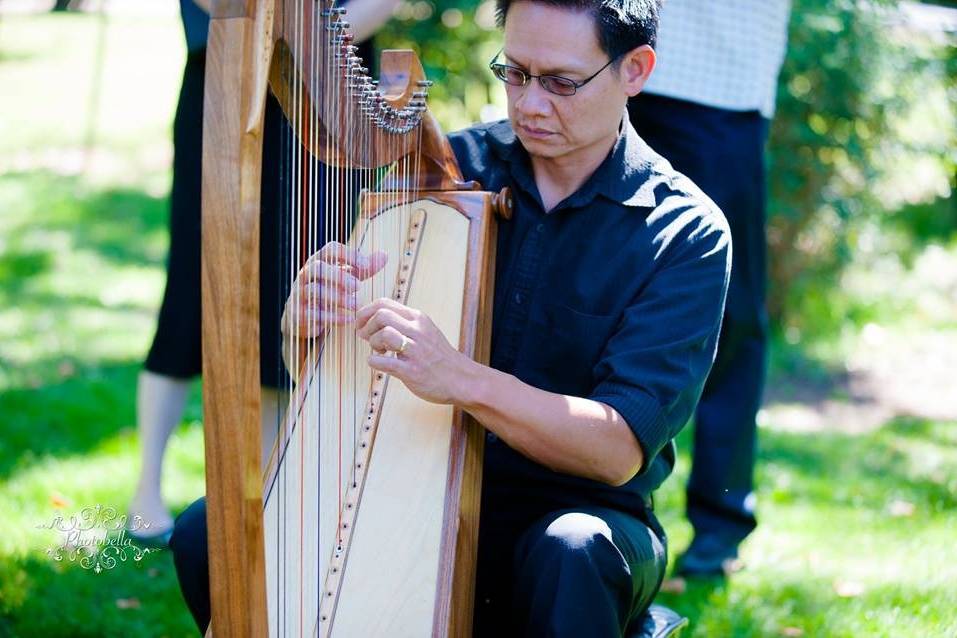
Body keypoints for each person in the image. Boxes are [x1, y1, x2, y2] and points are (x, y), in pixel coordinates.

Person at [170, 0, 732, 634]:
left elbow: (617, 449)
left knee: (571, 551)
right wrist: (305, 329)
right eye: (514, 72)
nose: (530, 104)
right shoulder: (446, 170)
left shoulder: (683, 231)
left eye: (561, 82)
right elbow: (356, 378)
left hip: (579, 516)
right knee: (206, 532)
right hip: (414, 490)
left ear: (635, 69)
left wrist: (459, 377)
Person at [127, 0, 397, 545]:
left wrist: (314, 41)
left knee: (296, 279)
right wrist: (270, 29)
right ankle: (145, 489)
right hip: (226, 72)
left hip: (330, 86)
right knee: (191, 282)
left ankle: (270, 489)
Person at [627, 0, 791, 577]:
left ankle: (719, 525)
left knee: (733, 315)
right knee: (600, 293)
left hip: (722, 87)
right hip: (608, 71)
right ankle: (597, 498)